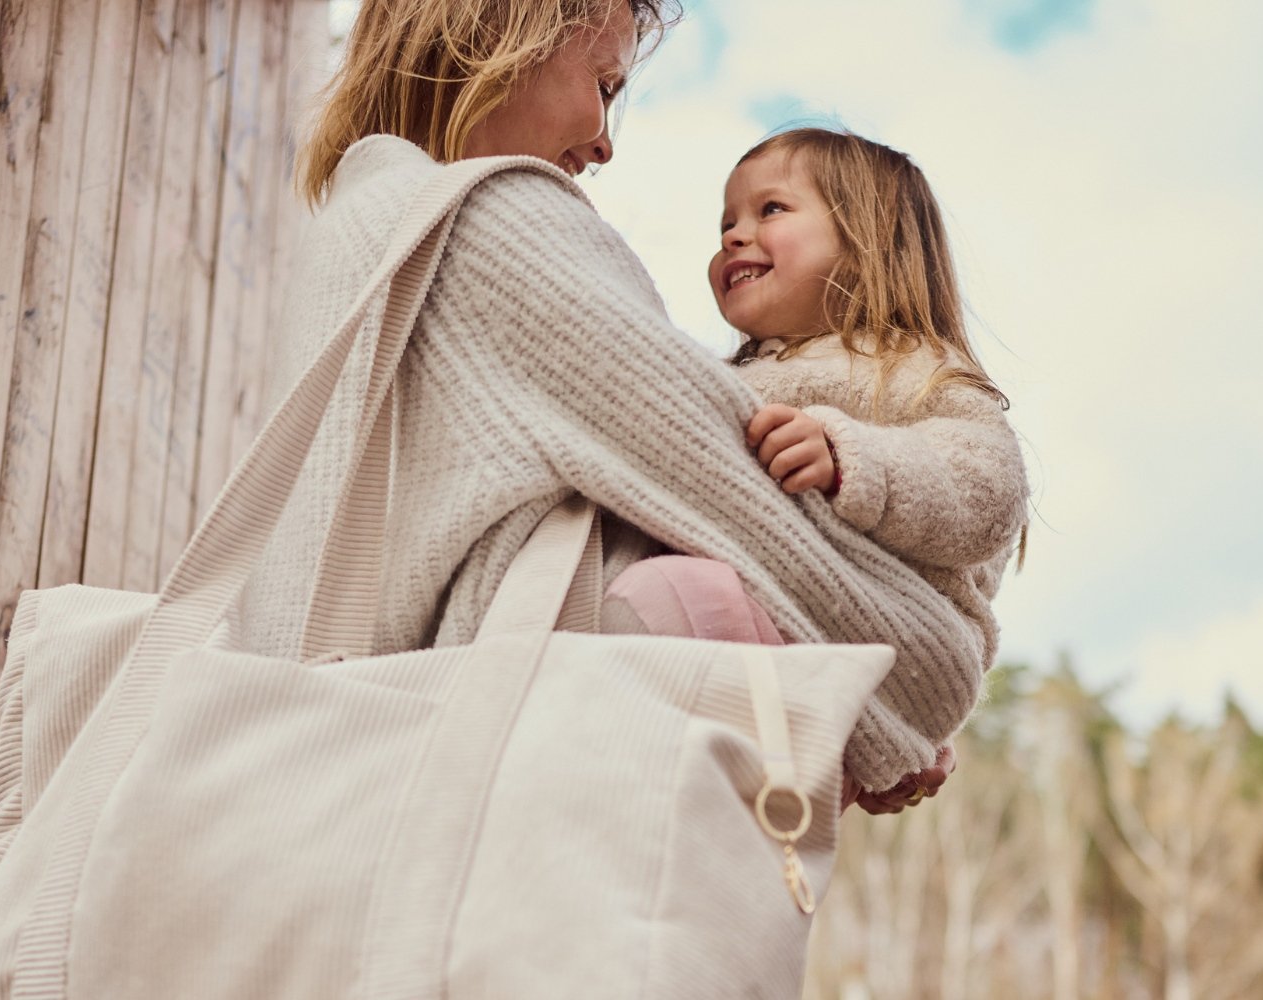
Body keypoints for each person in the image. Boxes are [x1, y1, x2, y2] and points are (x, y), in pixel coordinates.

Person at [236, 0, 987, 801]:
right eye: (603, 82)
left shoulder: (353, 234)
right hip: (517, 770)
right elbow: (723, 484)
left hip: (351, 759)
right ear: (501, 36)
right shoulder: (495, 220)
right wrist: (908, 689)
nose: (603, 141)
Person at [603, 127, 1029, 810]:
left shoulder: (908, 368)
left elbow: (986, 490)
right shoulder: (728, 380)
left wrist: (848, 458)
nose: (734, 237)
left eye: (770, 210)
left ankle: (845, 740)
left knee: (653, 601)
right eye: (727, 222)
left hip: (877, 639)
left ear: (869, 241)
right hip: (774, 642)